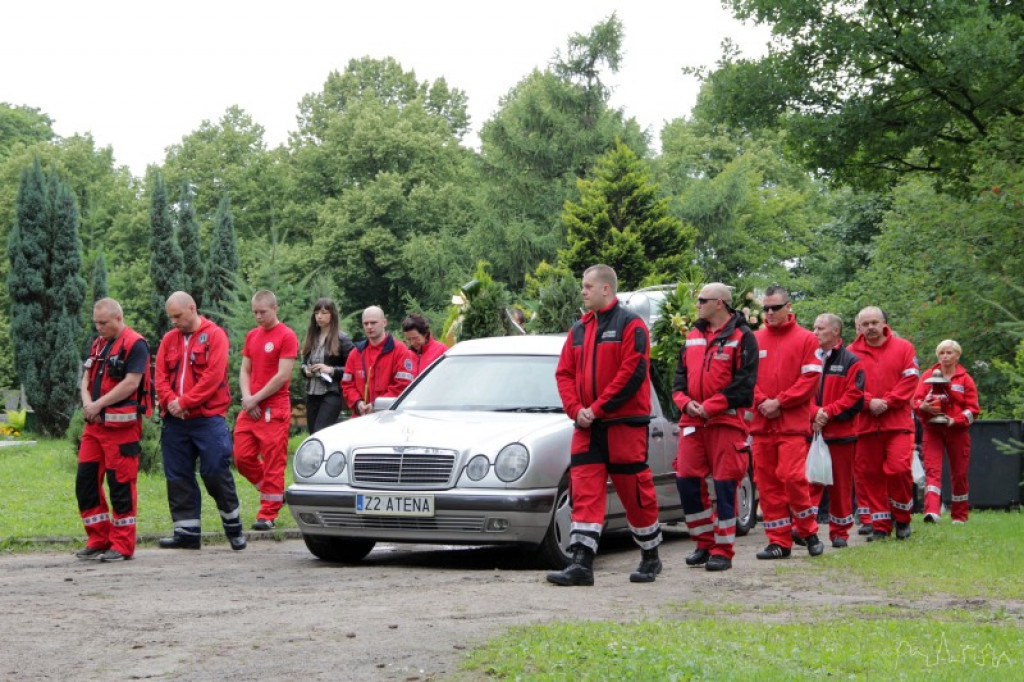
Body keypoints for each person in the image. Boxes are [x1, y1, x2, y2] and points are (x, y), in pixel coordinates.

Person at [549, 264, 663, 585]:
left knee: (634, 492)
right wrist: (576, 410)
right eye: (583, 286)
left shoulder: (632, 326)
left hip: (623, 424)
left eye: (587, 286)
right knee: (584, 490)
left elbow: (632, 374)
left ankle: (650, 555)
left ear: (605, 289)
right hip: (586, 426)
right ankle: (582, 563)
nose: (582, 291)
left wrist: (596, 409)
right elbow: (564, 374)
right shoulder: (579, 329)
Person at [672, 283, 758, 572]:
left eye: (702, 300)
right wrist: (685, 403)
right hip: (692, 422)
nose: (697, 304)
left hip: (726, 422)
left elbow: (744, 385)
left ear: (719, 303)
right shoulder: (693, 335)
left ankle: (723, 548)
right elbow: (678, 381)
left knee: (724, 485)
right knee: (685, 480)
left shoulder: (743, 337)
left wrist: (712, 405)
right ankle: (703, 541)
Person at [154, 291, 246, 551]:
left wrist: (184, 402)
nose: (174, 322)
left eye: (178, 316)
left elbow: (214, 377)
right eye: (171, 317)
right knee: (178, 476)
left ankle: (233, 526)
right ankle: (186, 533)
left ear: (192, 308)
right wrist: (172, 403)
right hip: (175, 421)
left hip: (208, 418)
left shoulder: (215, 335)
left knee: (216, 471)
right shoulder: (168, 340)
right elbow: (160, 376)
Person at [750, 285, 824, 560]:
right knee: (767, 483)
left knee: (793, 478)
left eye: (774, 308)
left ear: (788, 307)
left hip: (791, 424)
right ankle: (778, 542)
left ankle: (808, 531)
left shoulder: (806, 339)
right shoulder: (754, 340)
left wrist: (778, 402)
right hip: (761, 425)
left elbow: (809, 381)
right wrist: (761, 402)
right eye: (765, 308)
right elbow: (747, 379)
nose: (769, 313)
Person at [75, 298, 151, 562]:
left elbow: (131, 383)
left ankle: (122, 544)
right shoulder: (99, 343)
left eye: (104, 323)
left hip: (122, 430)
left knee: (120, 486)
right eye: (96, 322)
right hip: (94, 427)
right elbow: (86, 377)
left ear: (119, 318)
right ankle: (98, 539)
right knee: (85, 483)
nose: (99, 327)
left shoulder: (135, 344)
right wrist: (88, 404)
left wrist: (97, 404)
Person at [849, 306, 920, 541]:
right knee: (871, 475)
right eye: (866, 323)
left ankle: (902, 517)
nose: (870, 327)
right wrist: (869, 402)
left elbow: (910, 380)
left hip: (897, 423)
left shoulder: (904, 348)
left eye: (874, 323)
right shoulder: (850, 353)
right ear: (859, 326)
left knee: (898, 469)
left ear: (884, 324)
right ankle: (880, 525)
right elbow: (849, 387)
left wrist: (887, 402)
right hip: (866, 425)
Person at [234, 290, 299, 531]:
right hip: (252, 406)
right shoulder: (252, 336)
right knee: (241, 457)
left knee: (273, 461)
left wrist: (256, 399)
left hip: (274, 407)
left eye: (263, 312)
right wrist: (247, 398)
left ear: (275, 308)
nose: (258, 317)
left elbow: (282, 376)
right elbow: (245, 370)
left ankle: (268, 514)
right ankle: (274, 494)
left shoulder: (287, 336)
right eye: (255, 312)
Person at [810, 313, 865, 548]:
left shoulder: (852, 361)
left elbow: (854, 396)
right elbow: (802, 389)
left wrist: (827, 413)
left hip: (842, 434)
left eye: (820, 328)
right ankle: (805, 528)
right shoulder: (809, 358)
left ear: (835, 332)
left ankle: (840, 532)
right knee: (810, 481)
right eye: (814, 328)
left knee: (841, 485)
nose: (815, 332)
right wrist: (814, 413)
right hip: (813, 431)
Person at [914, 339, 980, 524]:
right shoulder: (928, 376)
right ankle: (932, 512)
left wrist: (955, 421)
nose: (945, 356)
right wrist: (924, 407)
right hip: (932, 430)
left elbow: (973, 409)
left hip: (957, 432)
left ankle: (959, 515)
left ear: (957, 355)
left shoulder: (965, 379)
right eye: (942, 353)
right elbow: (916, 401)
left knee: (959, 473)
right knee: (932, 470)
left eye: (949, 353)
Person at [341, 306, 415, 416]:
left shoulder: (400, 350)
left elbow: (403, 385)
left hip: (390, 417)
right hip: (361, 419)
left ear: (384, 322)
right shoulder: (356, 353)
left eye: (373, 323)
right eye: (366, 324)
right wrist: (357, 402)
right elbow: (347, 385)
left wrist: (377, 405)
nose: (369, 327)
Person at [300, 298, 354, 434]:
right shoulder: (311, 337)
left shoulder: (342, 338)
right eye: (316, 312)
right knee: (313, 435)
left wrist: (330, 370)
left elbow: (353, 369)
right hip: (311, 394)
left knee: (320, 432)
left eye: (324, 312)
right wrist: (306, 371)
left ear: (332, 315)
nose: (319, 316)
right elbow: (303, 364)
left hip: (331, 393)